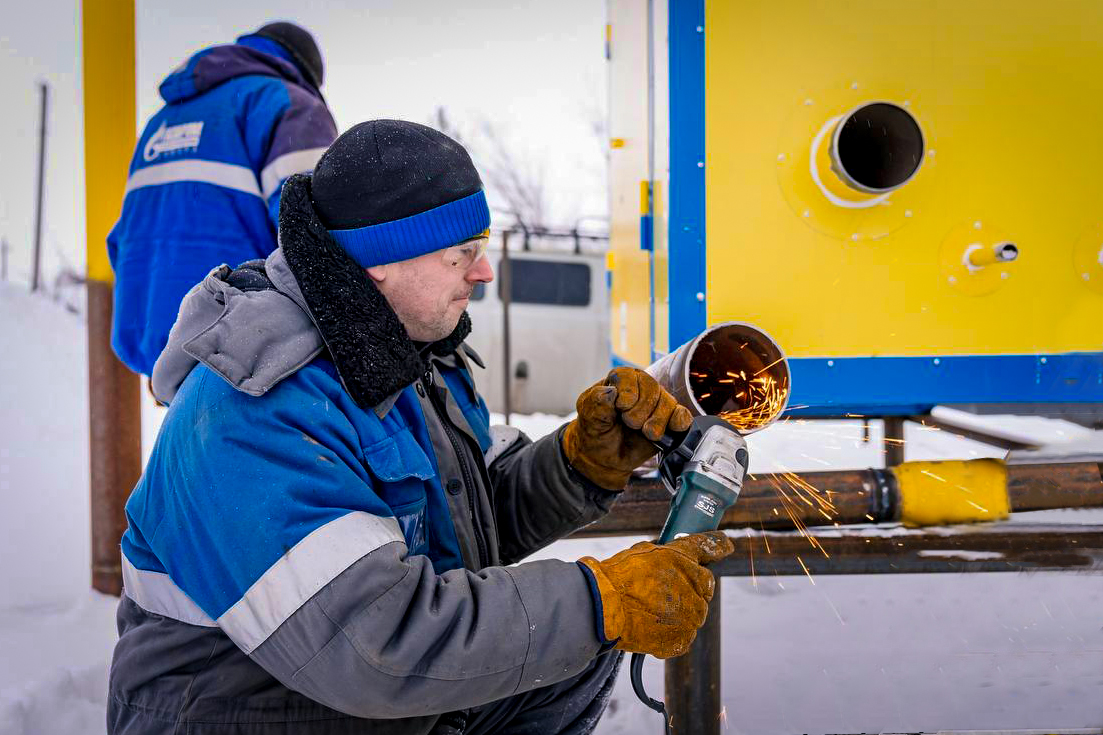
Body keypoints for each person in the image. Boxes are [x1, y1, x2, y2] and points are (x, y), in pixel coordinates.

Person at [108, 120, 735, 735]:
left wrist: (576, 464)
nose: (483, 274)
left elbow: (462, 526)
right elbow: (373, 643)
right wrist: (597, 603)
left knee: (562, 660)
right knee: (573, 629)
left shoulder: (401, 354)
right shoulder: (257, 408)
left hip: (343, 700)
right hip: (247, 710)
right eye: (461, 255)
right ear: (379, 260)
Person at [107, 21, 338, 376]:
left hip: (157, 345)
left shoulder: (161, 122)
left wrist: (165, 355)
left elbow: (123, 237)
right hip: (247, 346)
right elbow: (318, 227)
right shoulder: (288, 103)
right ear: (307, 73)